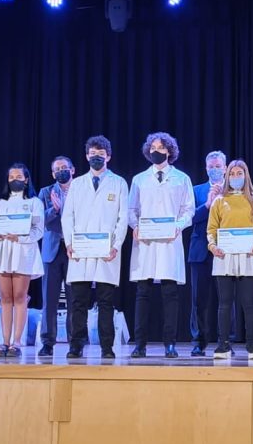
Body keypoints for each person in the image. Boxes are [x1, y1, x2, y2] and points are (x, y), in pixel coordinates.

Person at [61, 135, 129, 359]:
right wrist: (69, 243)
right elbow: (67, 216)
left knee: (105, 302)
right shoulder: (77, 183)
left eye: (100, 154)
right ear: (86, 156)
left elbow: (123, 218)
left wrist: (116, 245)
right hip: (80, 250)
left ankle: (107, 347)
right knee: (78, 301)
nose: (96, 158)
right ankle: (76, 345)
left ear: (108, 156)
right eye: (92, 154)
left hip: (107, 250)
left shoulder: (119, 183)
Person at [128, 132, 195, 359]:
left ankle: (170, 344)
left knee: (170, 293)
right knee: (143, 292)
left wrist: (178, 226)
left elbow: (188, 209)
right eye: (153, 148)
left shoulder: (181, 179)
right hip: (145, 243)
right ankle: (140, 344)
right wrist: (136, 226)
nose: (156, 151)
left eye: (161, 148)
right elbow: (131, 209)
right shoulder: (139, 179)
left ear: (170, 151)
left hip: (169, 242)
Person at [206, 160, 253, 359]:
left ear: (246, 175)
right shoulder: (219, 201)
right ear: (227, 176)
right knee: (224, 303)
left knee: (249, 303)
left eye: (239, 173)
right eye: (232, 173)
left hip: (249, 255)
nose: (235, 177)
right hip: (224, 256)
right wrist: (212, 246)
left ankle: (251, 344)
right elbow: (211, 229)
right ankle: (223, 344)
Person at [0, 164, 45, 358]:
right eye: (11, 177)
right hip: (3, 250)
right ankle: (4, 341)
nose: (15, 180)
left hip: (23, 250)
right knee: (5, 297)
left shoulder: (35, 202)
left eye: (18, 176)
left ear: (26, 179)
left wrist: (19, 238)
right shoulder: (0, 203)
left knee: (20, 297)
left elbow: (39, 231)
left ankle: (17, 342)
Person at [187, 151, 226, 356]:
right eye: (211, 166)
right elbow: (189, 218)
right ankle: (198, 341)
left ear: (225, 168)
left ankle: (225, 340)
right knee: (199, 299)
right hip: (201, 250)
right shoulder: (196, 190)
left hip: (225, 250)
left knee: (226, 299)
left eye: (218, 166)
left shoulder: (234, 191)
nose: (215, 169)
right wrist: (208, 204)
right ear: (206, 168)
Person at [37, 156, 75, 358]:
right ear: (53, 174)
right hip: (52, 250)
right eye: (57, 169)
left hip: (74, 249)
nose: (61, 171)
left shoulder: (81, 189)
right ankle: (47, 342)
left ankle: (75, 342)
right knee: (49, 300)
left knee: (74, 299)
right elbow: (40, 219)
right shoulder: (45, 192)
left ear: (72, 170)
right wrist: (55, 208)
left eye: (64, 167)